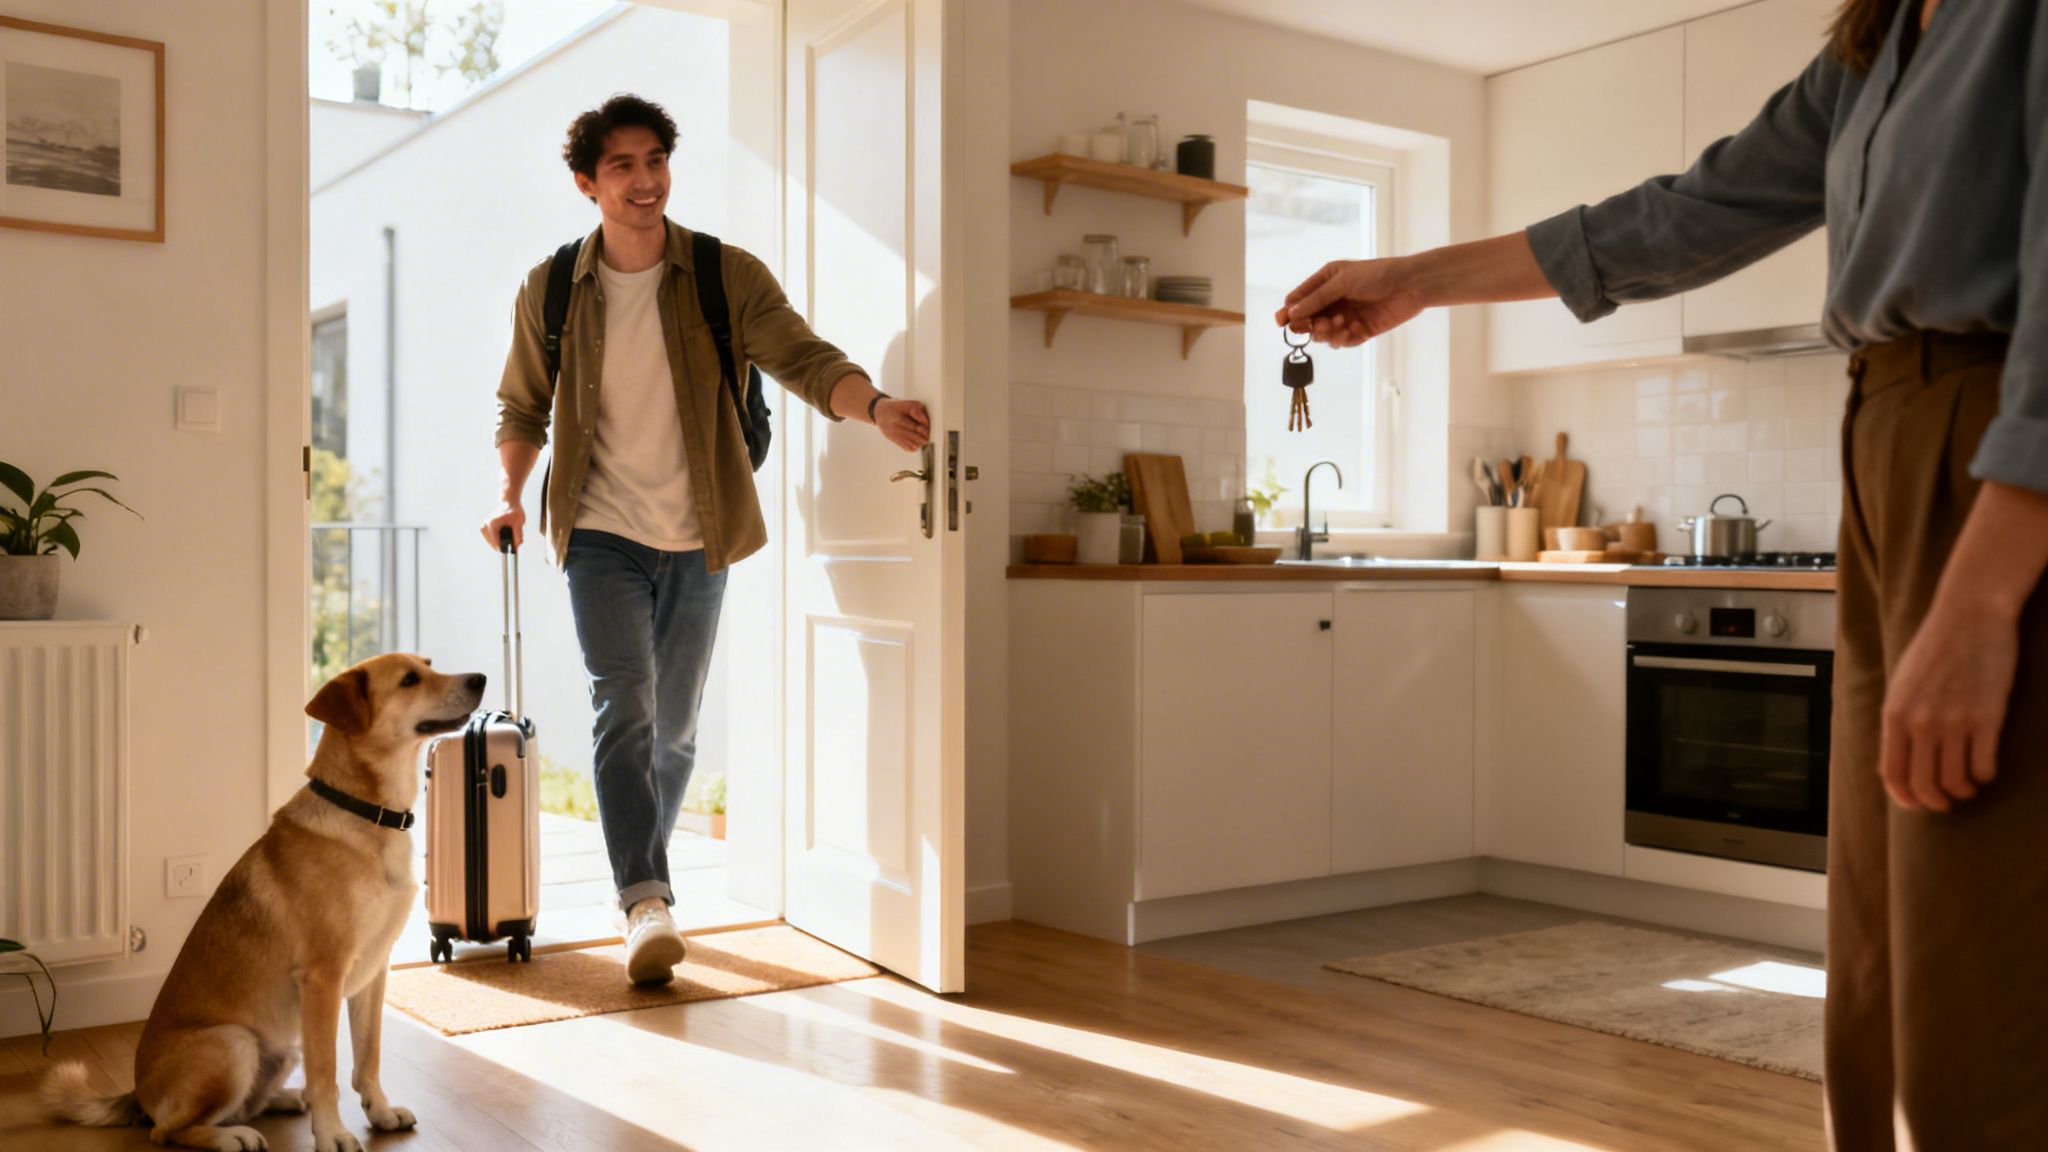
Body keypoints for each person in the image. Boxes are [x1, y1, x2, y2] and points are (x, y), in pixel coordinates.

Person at [1278, 1, 2048, 1146]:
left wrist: (1984, 596)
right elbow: (1683, 214)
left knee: (1972, 931)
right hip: (1882, 438)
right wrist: (1415, 278)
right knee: (1876, 936)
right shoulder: (1875, 41)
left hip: (1994, 461)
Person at [483, 94, 930, 986]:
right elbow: (523, 405)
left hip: (700, 532)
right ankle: (645, 899)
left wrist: (874, 406)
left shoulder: (725, 274)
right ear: (587, 184)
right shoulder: (552, 286)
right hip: (598, 528)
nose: (645, 182)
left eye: (655, 161)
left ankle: (648, 887)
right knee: (626, 704)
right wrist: (509, 492)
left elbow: (802, 358)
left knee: (676, 731)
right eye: (622, 167)